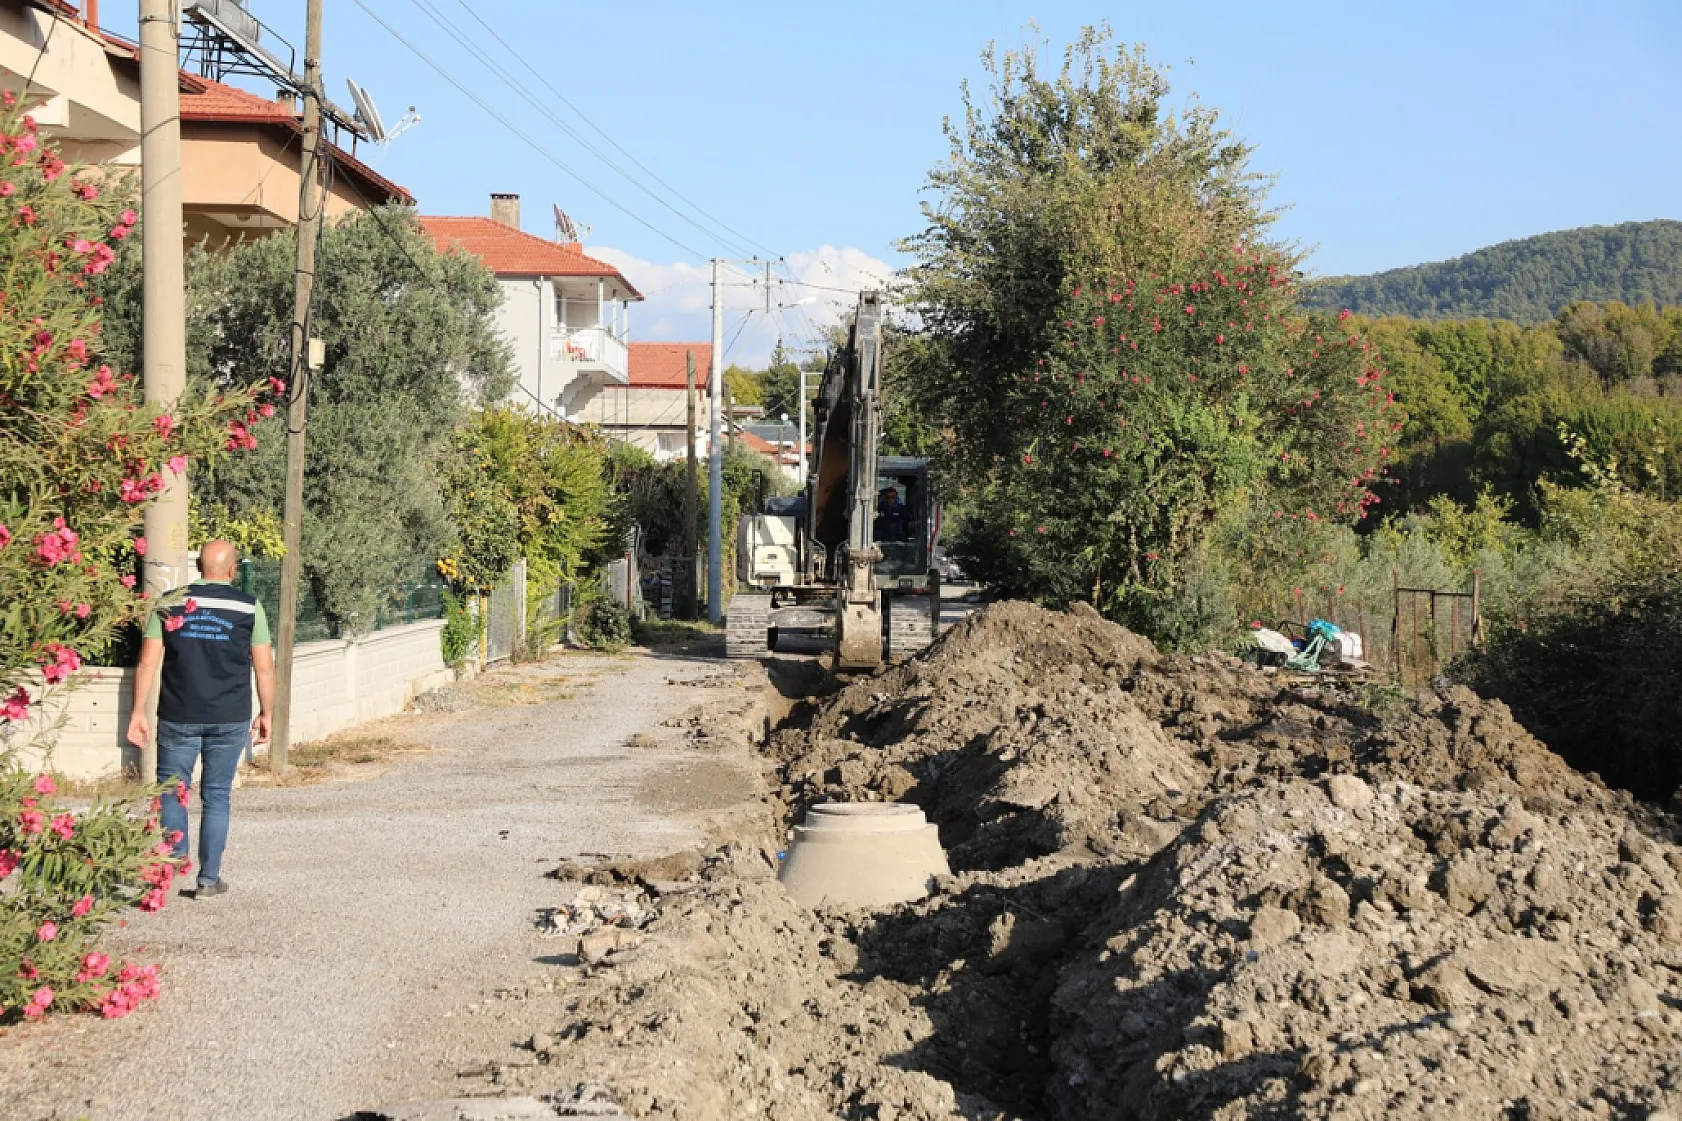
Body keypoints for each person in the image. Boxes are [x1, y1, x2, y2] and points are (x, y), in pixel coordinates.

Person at [125, 540, 275, 898]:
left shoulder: (170, 603)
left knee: (173, 794)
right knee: (217, 796)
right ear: (232, 570)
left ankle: (175, 863)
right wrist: (267, 712)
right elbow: (264, 667)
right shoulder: (249, 607)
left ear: (200, 568)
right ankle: (209, 880)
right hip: (229, 717)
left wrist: (137, 712)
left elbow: (147, 661)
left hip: (179, 715)